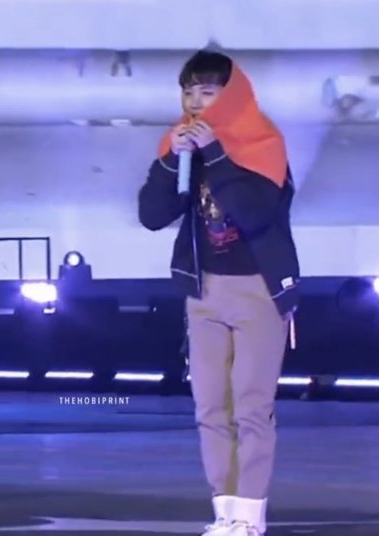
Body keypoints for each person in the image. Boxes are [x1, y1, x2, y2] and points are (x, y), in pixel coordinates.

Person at [138, 50, 299, 536]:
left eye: (207, 91)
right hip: (203, 291)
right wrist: (173, 159)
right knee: (210, 407)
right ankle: (225, 514)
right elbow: (152, 215)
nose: (195, 101)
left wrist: (215, 154)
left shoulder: (262, 140)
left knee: (251, 407)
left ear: (230, 96)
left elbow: (255, 214)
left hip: (257, 290)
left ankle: (250, 518)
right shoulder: (182, 142)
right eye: (188, 91)